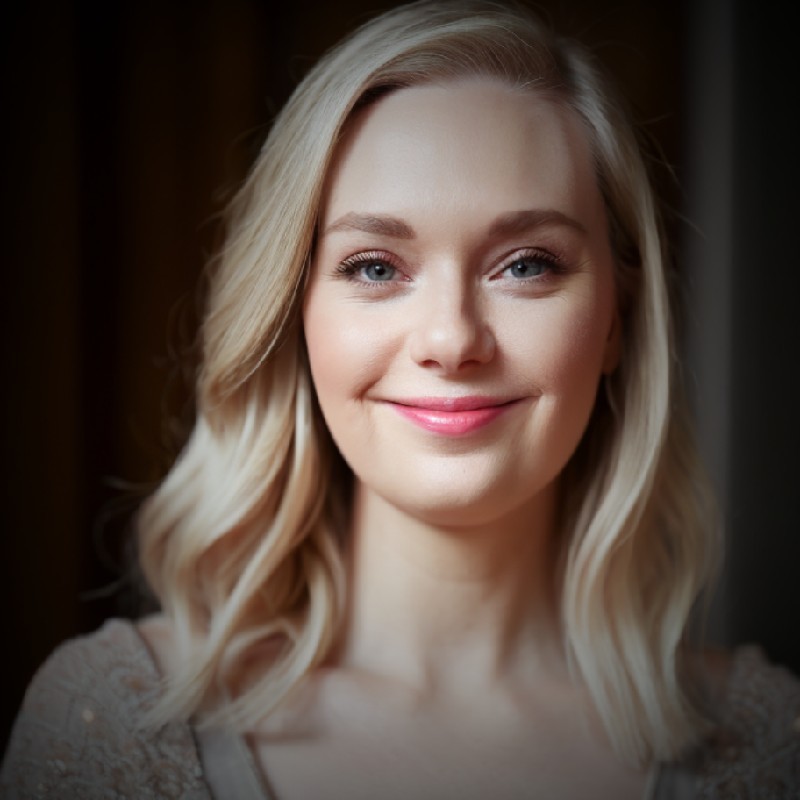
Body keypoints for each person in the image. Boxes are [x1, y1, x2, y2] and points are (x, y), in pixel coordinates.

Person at [3, 0, 799, 797]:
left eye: (526, 264)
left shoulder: (765, 745)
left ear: (618, 320)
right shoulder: (112, 725)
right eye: (376, 267)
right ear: (294, 311)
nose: (451, 341)